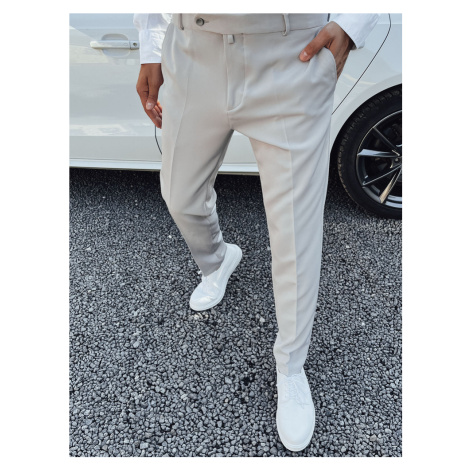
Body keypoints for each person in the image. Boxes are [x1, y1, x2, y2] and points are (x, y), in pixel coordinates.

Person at [133, 13, 379, 452]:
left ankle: (291, 367)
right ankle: (217, 260)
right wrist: (151, 44)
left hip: (292, 51)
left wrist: (352, 22)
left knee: (295, 228)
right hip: (193, 48)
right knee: (179, 194)